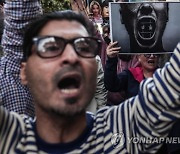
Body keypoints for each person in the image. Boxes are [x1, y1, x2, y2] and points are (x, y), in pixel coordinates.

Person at [0, 1, 180, 154]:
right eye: (52, 47)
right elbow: (20, 19)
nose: (70, 57)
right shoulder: (12, 137)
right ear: (24, 72)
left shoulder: (117, 130)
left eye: (83, 47)